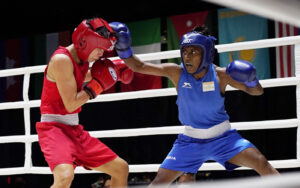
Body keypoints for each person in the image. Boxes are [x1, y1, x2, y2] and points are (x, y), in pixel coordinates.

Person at [109, 22, 279, 186]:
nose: (187, 57)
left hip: (224, 139)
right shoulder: (176, 72)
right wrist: (122, 47)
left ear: (206, 53)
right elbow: (138, 66)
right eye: (185, 51)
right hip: (190, 142)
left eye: (193, 51)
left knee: (261, 162)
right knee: (159, 182)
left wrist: (251, 80)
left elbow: (257, 91)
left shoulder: (221, 75)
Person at [36, 17, 133, 188]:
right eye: (100, 49)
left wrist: (115, 70)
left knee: (121, 168)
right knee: (65, 177)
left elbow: (82, 76)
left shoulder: (80, 60)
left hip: (74, 130)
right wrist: (98, 85)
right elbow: (71, 104)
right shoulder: (61, 60)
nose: (101, 54)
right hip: (54, 129)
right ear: (85, 42)